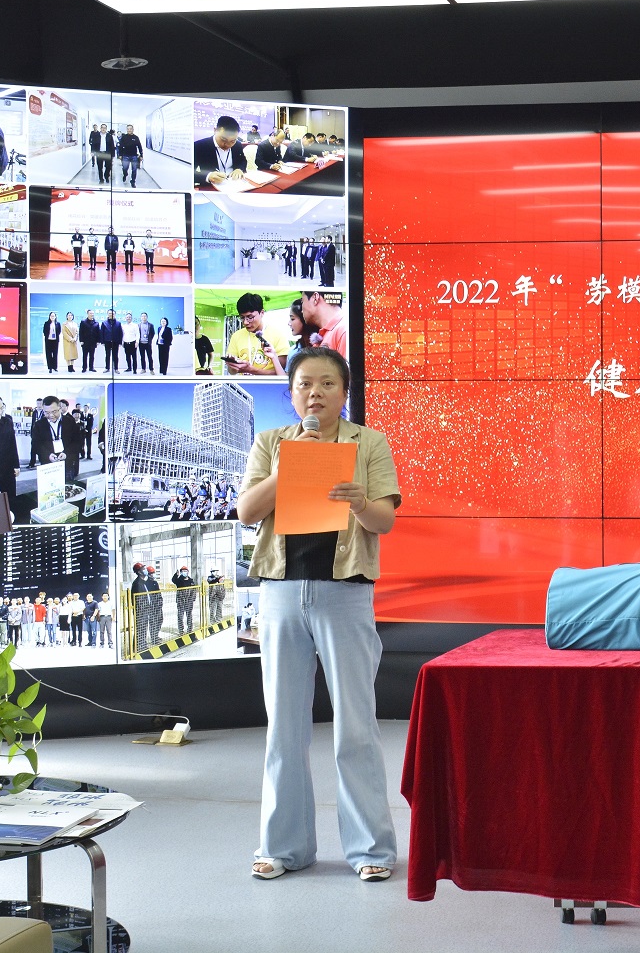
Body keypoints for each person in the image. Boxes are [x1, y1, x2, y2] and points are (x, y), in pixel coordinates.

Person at [239, 346, 400, 883]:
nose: (315, 394)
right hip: (282, 592)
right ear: (291, 393)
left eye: (328, 383)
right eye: (305, 383)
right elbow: (246, 511)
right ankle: (283, 847)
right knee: (283, 727)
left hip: (345, 593)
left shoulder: (368, 443)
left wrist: (360, 502)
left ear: (344, 392)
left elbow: (384, 521)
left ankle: (371, 850)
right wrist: (288, 467)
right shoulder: (271, 443)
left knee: (355, 725)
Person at [224, 293, 288, 375]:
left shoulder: (278, 335)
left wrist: (251, 370)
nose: (245, 322)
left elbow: (281, 374)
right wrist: (233, 366)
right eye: (242, 317)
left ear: (262, 313)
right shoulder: (236, 336)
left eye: (250, 317)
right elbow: (231, 372)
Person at [195, 116, 249, 186]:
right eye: (223, 139)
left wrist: (239, 169)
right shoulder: (199, 146)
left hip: (234, 183)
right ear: (215, 130)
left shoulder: (237, 145)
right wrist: (208, 176)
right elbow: (189, 171)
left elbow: (242, 161)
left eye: (232, 141)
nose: (228, 145)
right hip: (211, 186)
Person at [301, 290, 347, 361]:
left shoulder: (343, 330)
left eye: (302, 301)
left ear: (315, 298)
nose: (301, 311)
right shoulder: (329, 333)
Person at [173, 565, 197, 635]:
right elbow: (174, 580)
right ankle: (181, 630)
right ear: (181, 572)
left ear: (188, 572)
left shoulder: (191, 581)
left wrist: (192, 599)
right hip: (181, 601)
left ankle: (189, 629)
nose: (184, 572)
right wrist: (176, 575)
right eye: (183, 571)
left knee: (189, 615)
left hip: (189, 601)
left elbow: (194, 591)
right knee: (180, 616)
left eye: (185, 571)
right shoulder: (179, 580)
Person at [100, 308, 121, 372]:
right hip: (107, 341)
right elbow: (102, 333)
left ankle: (116, 368)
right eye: (109, 313)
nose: (111, 315)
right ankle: (107, 368)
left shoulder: (118, 323)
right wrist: (102, 342)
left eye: (113, 314)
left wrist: (120, 342)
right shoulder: (104, 323)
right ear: (107, 314)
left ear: (115, 314)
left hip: (115, 342)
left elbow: (120, 333)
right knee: (107, 355)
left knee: (115, 356)